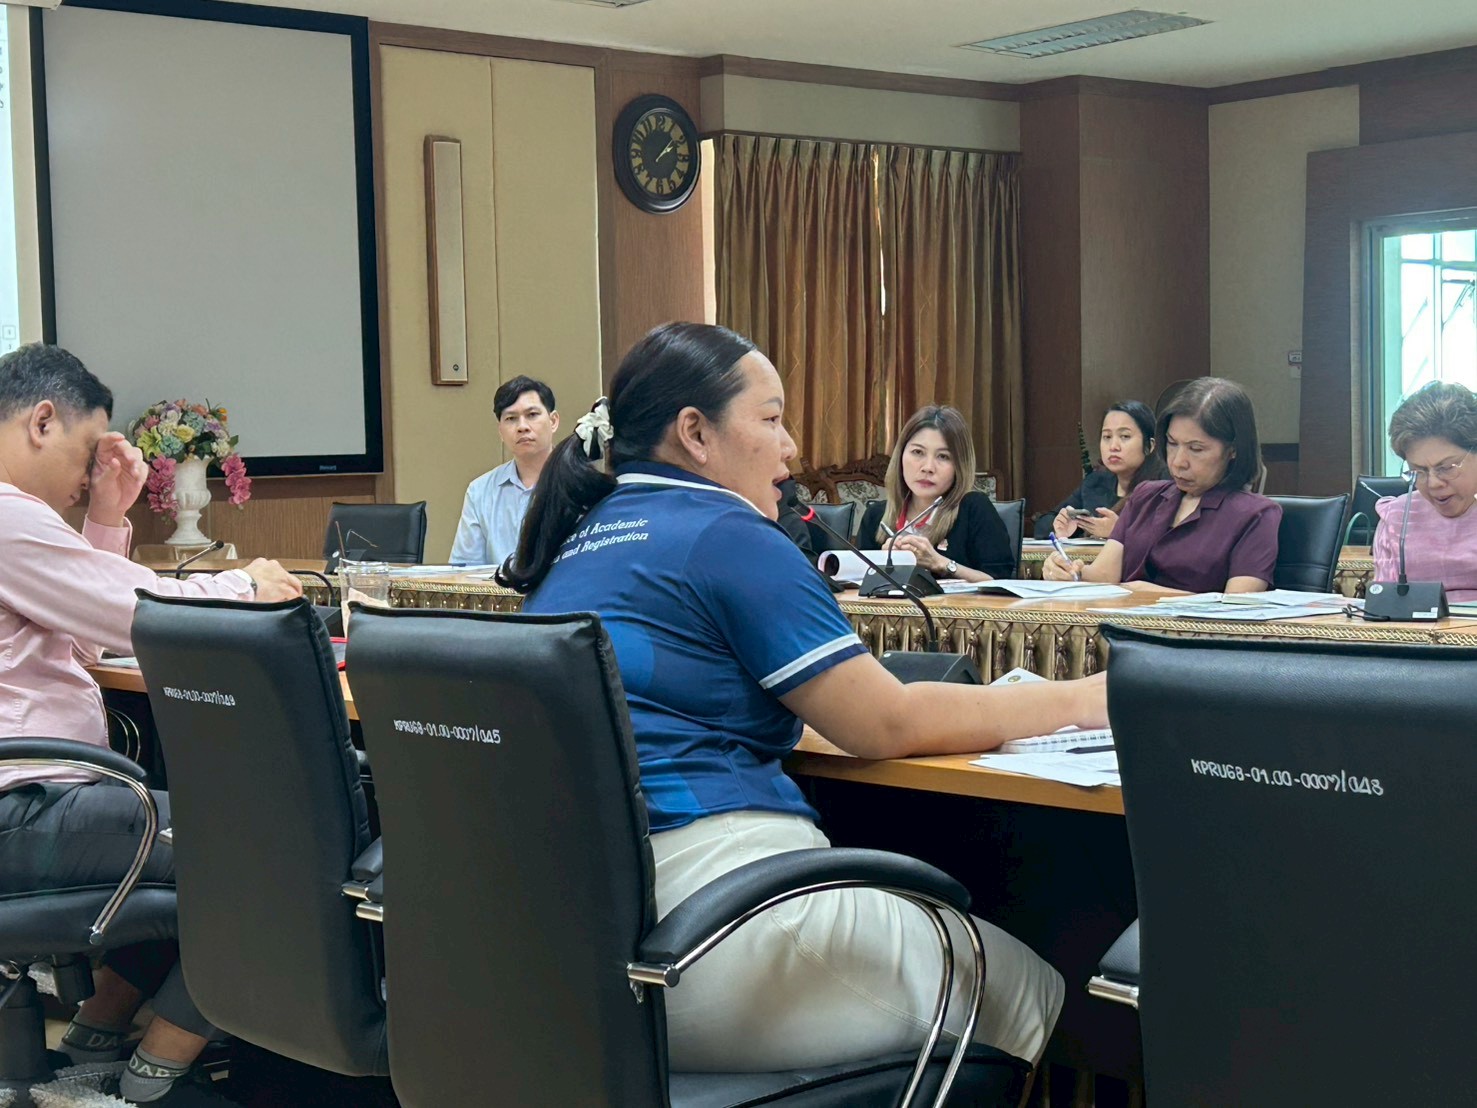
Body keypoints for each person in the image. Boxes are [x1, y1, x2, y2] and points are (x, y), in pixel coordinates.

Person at [505, 322, 1107, 1074]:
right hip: (727, 921)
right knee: (1039, 991)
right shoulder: (725, 533)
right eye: (771, 418)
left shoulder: (579, 535)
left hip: (589, 946)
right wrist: (1083, 697)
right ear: (695, 433)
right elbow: (883, 723)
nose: (790, 447)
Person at [0, 344, 303, 1105]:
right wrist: (247, 587)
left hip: (30, 803)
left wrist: (106, 517)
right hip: (25, 809)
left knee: (205, 822)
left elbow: (81, 634)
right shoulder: (6, 514)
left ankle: (97, 1036)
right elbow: (136, 613)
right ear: (42, 421)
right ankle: (155, 1079)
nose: (85, 476)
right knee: (284, 839)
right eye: (85, 454)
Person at [1044, 377, 1281, 594]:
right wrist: (1070, 573)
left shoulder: (1256, 514)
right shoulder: (1146, 496)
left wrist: (1143, 592)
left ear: (1233, 450)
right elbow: (1103, 576)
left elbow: (1238, 604)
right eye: (1172, 444)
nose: (1178, 462)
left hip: (1190, 628)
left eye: (1196, 449)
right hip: (1118, 624)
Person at [855, 405, 1014, 582]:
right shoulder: (875, 516)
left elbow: (1001, 583)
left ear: (959, 465)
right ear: (900, 456)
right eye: (918, 452)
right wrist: (882, 566)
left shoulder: (974, 508)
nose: (928, 467)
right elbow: (856, 582)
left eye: (943, 456)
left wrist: (940, 563)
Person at [1373, 380, 1477, 601]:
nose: (1433, 483)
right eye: (1418, 471)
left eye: (1446, 467)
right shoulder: (1398, 516)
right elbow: (1384, 603)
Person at [448, 375, 560, 567]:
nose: (522, 427)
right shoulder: (480, 491)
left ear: (553, 421)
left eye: (532, 415)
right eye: (511, 418)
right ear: (500, 431)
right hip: (495, 587)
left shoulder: (581, 485)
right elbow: (463, 570)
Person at [1033, 400, 1167, 539]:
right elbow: (1042, 526)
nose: (1113, 446)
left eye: (1125, 436)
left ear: (1150, 445)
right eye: (1107, 437)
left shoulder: (1164, 487)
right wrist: (1064, 526)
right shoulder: (1095, 482)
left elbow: (1170, 539)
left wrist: (1119, 531)